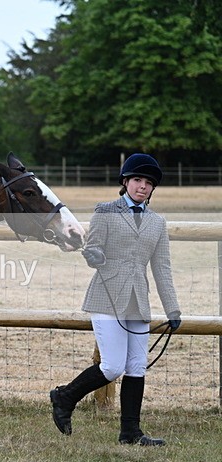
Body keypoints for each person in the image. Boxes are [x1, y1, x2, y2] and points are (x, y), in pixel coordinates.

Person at [50, 153, 181, 446]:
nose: (142, 186)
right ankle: (64, 396)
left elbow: (162, 268)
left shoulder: (157, 223)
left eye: (148, 183)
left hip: (138, 301)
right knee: (111, 366)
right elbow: (93, 249)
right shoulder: (105, 211)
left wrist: (172, 308)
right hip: (107, 296)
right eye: (137, 180)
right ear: (125, 181)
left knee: (136, 365)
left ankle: (131, 433)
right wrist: (94, 255)